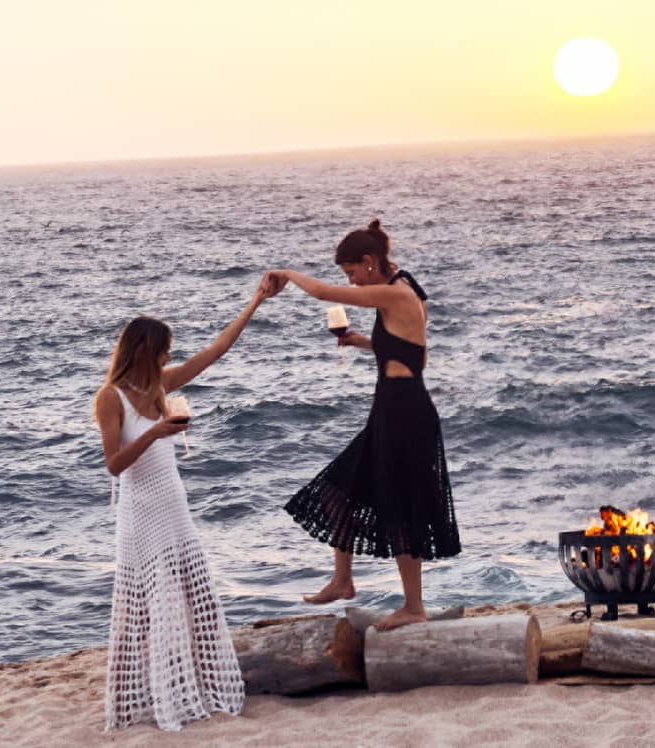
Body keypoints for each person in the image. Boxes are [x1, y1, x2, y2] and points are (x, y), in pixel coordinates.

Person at [93, 275, 281, 731]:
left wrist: (255, 301)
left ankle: (191, 683)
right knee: (145, 606)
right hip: (141, 515)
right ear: (142, 349)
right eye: (164, 349)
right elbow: (114, 465)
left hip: (175, 508)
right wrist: (156, 432)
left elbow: (216, 351)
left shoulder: (161, 386)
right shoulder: (110, 398)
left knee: (192, 599)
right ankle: (138, 698)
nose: (169, 356)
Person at [268, 219, 460, 631]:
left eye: (352, 272)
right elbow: (415, 355)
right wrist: (364, 343)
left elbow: (322, 292)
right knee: (340, 489)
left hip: (405, 413)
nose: (351, 281)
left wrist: (286, 273)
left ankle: (413, 607)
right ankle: (343, 580)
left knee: (401, 506)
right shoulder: (399, 293)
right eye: (347, 276)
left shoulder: (395, 293)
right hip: (392, 407)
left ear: (370, 262)